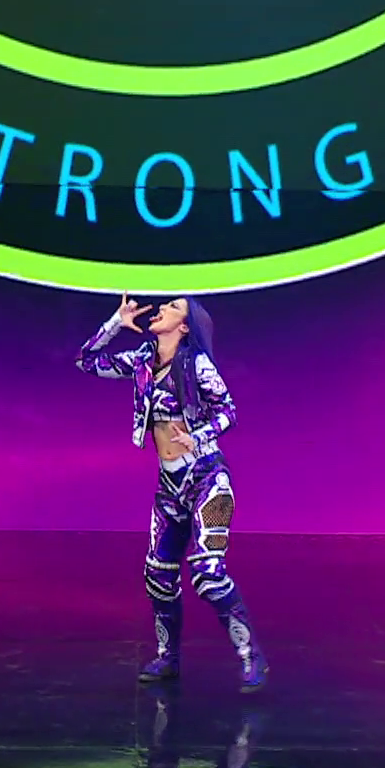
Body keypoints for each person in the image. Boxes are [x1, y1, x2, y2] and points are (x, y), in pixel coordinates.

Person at [76, 294, 268, 693]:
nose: (161, 308)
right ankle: (168, 657)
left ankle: (251, 656)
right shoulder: (143, 361)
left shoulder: (197, 364)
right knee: (159, 574)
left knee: (207, 575)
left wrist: (198, 436)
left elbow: (228, 411)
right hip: (169, 486)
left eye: (173, 307)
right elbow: (86, 361)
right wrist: (115, 323)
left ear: (184, 327)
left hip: (207, 478)